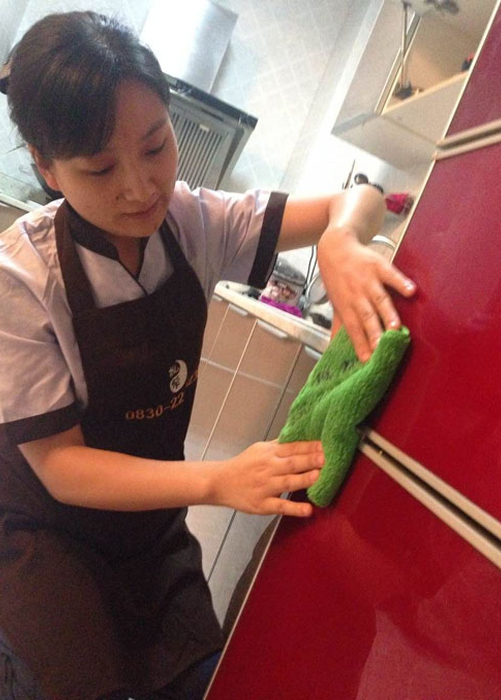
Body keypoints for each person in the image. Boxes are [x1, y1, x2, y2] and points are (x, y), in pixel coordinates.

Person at [0, 11, 416, 700]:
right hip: (47, 541)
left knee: (208, 679)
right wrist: (219, 480)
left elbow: (361, 198)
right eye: (100, 168)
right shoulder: (20, 278)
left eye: (156, 146)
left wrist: (341, 240)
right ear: (46, 167)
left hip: (151, 534)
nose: (141, 187)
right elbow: (62, 468)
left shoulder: (194, 222)